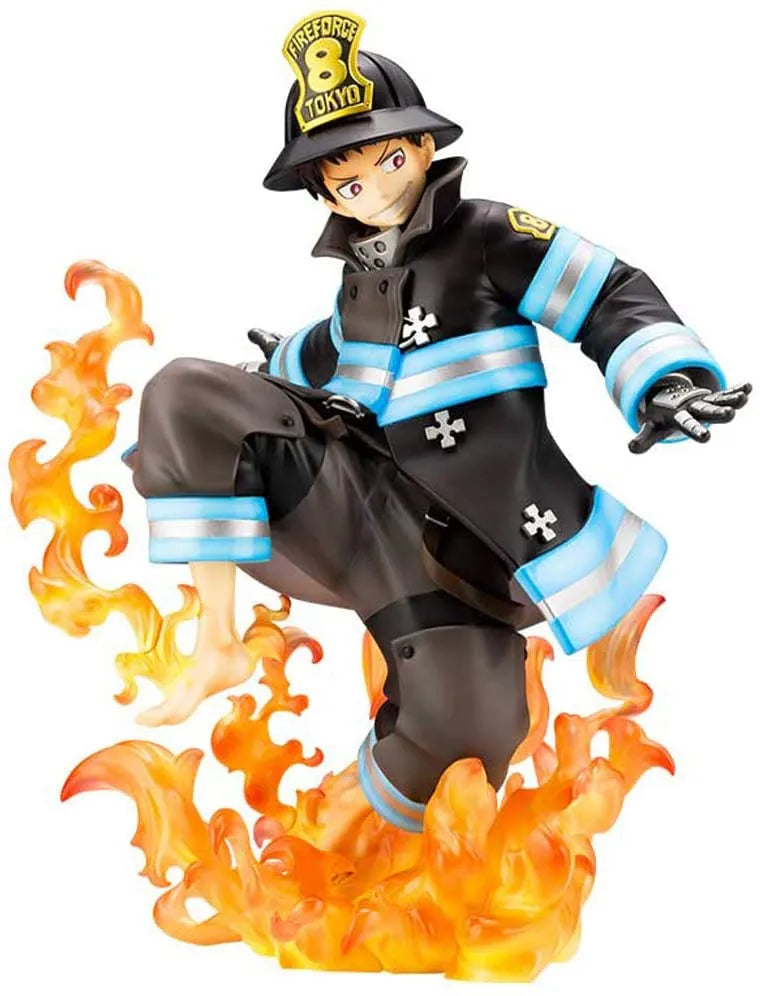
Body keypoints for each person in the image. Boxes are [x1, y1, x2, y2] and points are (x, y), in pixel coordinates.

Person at [124, 11, 750, 832]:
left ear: (425, 147)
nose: (376, 190)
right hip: (360, 502)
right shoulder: (359, 277)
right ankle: (219, 640)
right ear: (325, 193)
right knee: (186, 393)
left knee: (463, 744)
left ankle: (355, 842)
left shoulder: (488, 235)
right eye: (350, 183)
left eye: (389, 161)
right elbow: (336, 350)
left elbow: (607, 291)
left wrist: (666, 380)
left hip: (471, 549)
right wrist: (275, 369)